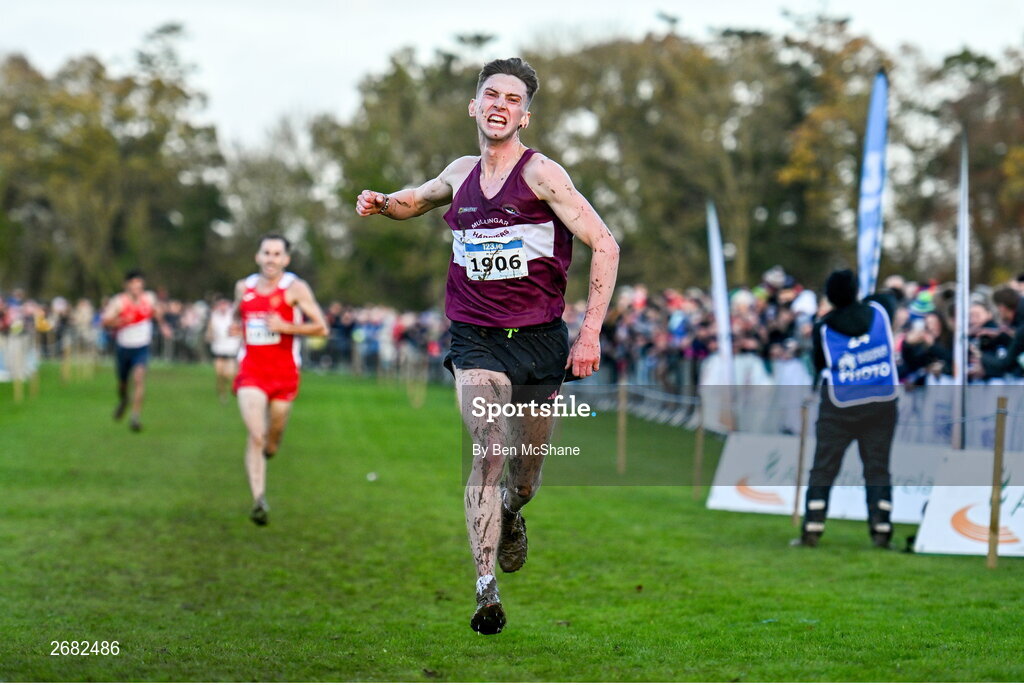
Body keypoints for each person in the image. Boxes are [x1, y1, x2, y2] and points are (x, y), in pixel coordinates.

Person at [355, 57, 619, 635]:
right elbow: (418, 199)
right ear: (474, 106)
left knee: (523, 479)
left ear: (525, 114)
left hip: (541, 342)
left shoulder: (542, 174)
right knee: (489, 448)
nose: (500, 105)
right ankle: (485, 589)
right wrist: (382, 202)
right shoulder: (460, 171)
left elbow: (605, 243)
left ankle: (511, 513)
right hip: (475, 338)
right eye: (490, 95)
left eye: (512, 99)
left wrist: (590, 330)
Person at [794, 269, 899, 549]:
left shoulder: (824, 327)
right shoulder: (879, 311)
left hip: (840, 406)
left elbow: (818, 365)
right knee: (878, 469)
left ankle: (812, 528)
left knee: (824, 468)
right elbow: (889, 296)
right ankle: (882, 529)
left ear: (829, 296)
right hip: (881, 402)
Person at [232, 234, 328, 527]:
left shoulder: (295, 288)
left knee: (272, 437)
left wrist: (284, 326)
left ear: (285, 259)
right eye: (266, 253)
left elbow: (321, 328)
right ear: (258, 257)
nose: (271, 259)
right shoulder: (243, 287)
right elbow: (240, 315)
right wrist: (238, 328)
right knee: (256, 434)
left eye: (277, 254)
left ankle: (273, 444)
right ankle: (259, 498)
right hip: (251, 371)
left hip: (284, 373)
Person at [100, 271, 170, 431]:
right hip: (124, 347)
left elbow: (156, 313)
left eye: (139, 287)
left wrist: (163, 326)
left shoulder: (149, 298)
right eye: (133, 286)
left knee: (139, 379)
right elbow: (105, 322)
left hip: (142, 347)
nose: (137, 290)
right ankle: (124, 400)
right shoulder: (119, 302)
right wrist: (121, 320)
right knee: (123, 384)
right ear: (127, 286)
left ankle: (135, 417)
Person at [206, 296, 242, 403]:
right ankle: (222, 393)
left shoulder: (233, 315)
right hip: (218, 348)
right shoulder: (214, 316)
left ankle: (228, 389)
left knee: (229, 374)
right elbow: (210, 330)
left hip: (231, 348)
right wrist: (210, 336)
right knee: (219, 373)